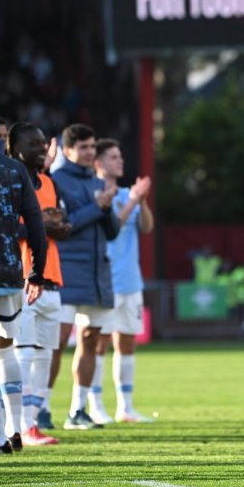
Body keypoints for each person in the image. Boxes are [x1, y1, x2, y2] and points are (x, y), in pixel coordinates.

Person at [0, 98, 47, 455]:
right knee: (6, 351)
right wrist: (37, 272)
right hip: (11, 275)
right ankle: (16, 429)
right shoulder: (15, 169)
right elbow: (36, 225)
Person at [48, 123, 120, 430]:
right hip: (66, 273)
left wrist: (106, 207)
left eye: (92, 146)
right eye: (83, 147)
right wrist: (97, 206)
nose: (90, 152)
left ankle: (78, 410)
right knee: (56, 343)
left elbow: (112, 232)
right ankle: (40, 408)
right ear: (67, 150)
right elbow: (62, 227)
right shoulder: (55, 182)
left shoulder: (96, 181)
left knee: (90, 341)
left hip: (96, 274)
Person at [9, 122, 71, 446]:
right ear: (15, 148)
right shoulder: (10, 181)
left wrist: (59, 227)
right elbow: (4, 227)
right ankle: (17, 424)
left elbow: (61, 221)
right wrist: (40, 226)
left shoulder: (49, 182)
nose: (42, 149)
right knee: (23, 354)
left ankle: (31, 424)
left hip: (52, 279)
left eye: (43, 144)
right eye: (33, 144)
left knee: (46, 354)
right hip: (23, 279)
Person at [88, 138, 155, 424]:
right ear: (98, 163)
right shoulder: (94, 193)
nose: (120, 161)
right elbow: (113, 226)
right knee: (98, 343)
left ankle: (125, 407)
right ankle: (95, 405)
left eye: (120, 156)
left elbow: (146, 227)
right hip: (104, 281)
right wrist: (132, 200)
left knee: (126, 342)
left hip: (130, 281)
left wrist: (142, 200)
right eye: (114, 157)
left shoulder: (129, 194)